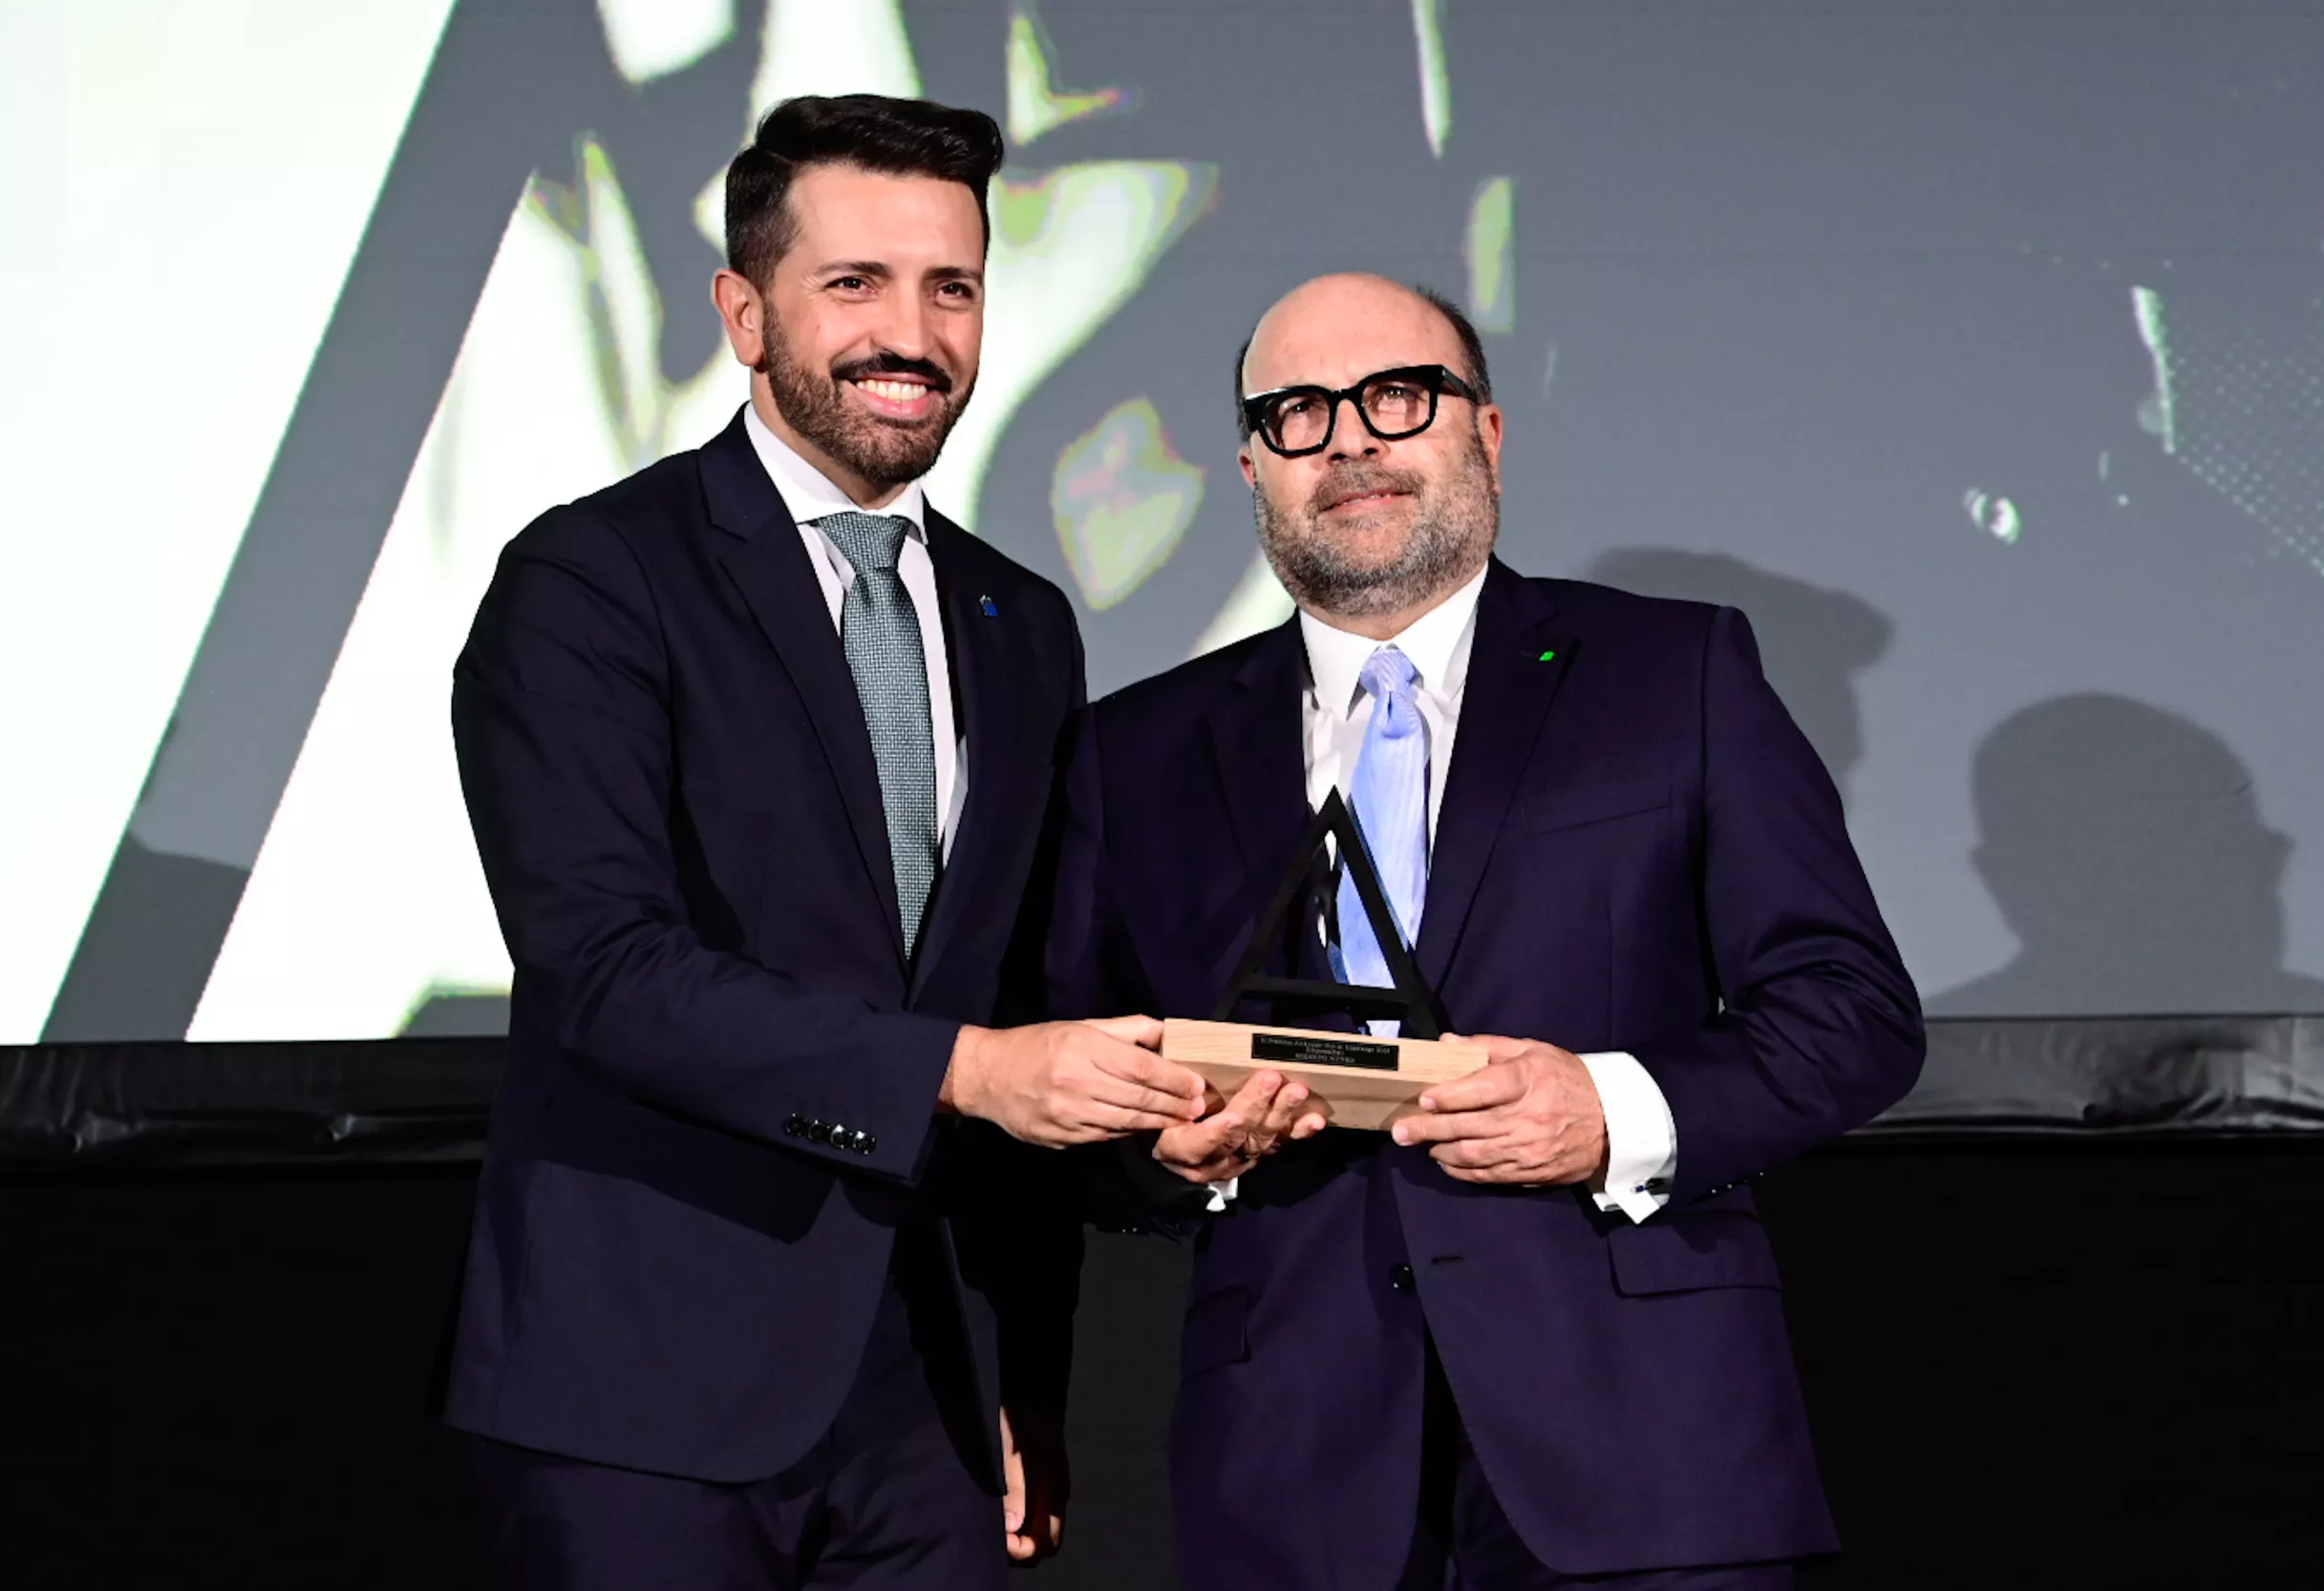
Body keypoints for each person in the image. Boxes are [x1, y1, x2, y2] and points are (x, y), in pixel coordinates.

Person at [1048, 272, 1926, 1590]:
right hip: (1291, 1471)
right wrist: (1169, 1153)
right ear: (1250, 466)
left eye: (1396, 397)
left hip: (1643, 1453)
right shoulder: (1138, 750)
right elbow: (1071, 1093)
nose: (1346, 438)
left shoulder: (1673, 674)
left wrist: (1607, 1107)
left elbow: (1851, 1008)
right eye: (1295, 412)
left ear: (1488, 433)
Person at [441, 94, 1206, 1590]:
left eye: (952, 286)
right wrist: (969, 1072)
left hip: (928, 1399)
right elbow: (604, 973)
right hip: (639, 1400)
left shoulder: (1021, 623)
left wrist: (1152, 1151)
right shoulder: (591, 582)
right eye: (854, 284)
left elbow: (1026, 1002)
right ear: (744, 311)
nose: (909, 333)